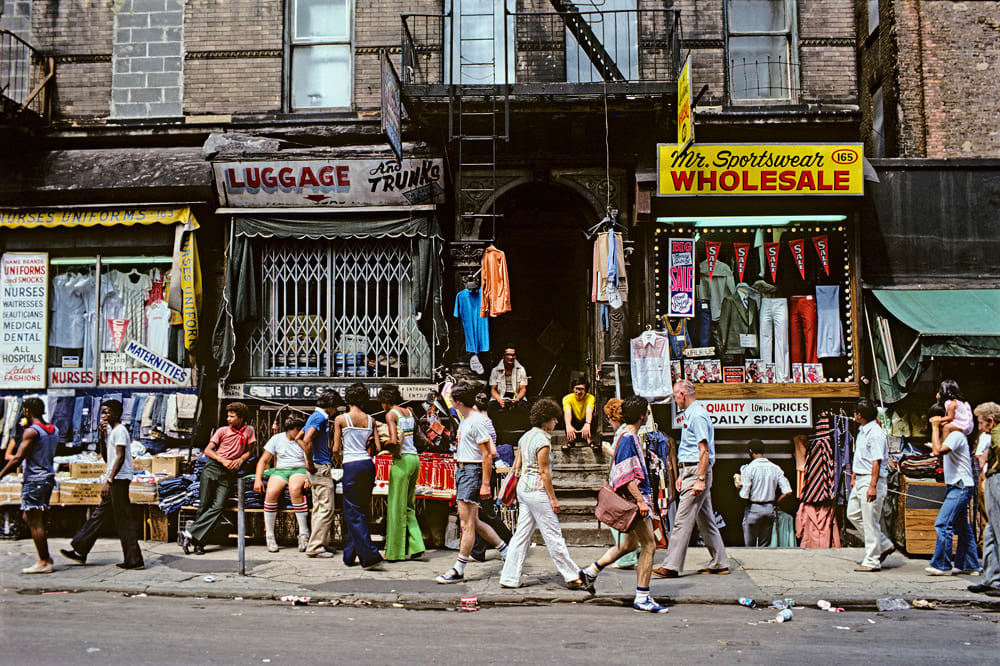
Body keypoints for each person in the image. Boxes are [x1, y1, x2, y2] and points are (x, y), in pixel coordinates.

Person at [579, 396, 667, 613]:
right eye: (646, 412)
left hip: (634, 501)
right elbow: (626, 475)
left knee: (628, 545)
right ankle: (642, 596)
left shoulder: (628, 436)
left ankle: (590, 572)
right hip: (634, 502)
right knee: (649, 546)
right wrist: (639, 500)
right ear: (641, 416)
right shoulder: (628, 437)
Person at [500, 398, 585, 589]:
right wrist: (553, 499)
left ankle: (509, 577)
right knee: (553, 534)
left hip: (523, 489)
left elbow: (517, 466)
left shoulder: (526, 437)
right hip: (538, 491)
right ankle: (571, 575)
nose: (556, 423)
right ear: (546, 419)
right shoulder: (542, 441)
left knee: (521, 535)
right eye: (554, 419)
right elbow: (544, 472)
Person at [654, 380, 729, 578]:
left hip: (697, 471)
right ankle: (720, 561)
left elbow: (704, 450)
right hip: (691, 471)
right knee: (705, 520)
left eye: (675, 395)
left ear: (683, 394)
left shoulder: (697, 416)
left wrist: (700, 479)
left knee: (682, 520)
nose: (674, 399)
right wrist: (681, 475)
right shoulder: (692, 414)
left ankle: (671, 565)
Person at [436, 382, 510, 583]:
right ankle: (507, 551)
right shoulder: (467, 419)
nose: (450, 401)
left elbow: (488, 454)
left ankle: (459, 567)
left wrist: (486, 483)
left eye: (452, 399)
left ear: (459, 401)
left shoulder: (475, 421)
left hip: (471, 471)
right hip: (465, 469)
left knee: (466, 523)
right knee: (474, 522)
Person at [61, 400, 144, 570]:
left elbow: (120, 457)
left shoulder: (120, 431)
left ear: (117, 413)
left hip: (119, 479)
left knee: (123, 519)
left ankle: (134, 559)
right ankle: (80, 549)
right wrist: (101, 436)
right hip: (116, 478)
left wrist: (109, 481)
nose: (104, 416)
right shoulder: (112, 432)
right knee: (99, 515)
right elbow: (108, 457)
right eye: (103, 412)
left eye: (107, 412)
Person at [178, 402, 256, 555]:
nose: (228, 419)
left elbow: (250, 452)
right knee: (204, 505)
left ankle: (190, 534)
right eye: (228, 416)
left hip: (228, 474)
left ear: (241, 418)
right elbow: (208, 450)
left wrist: (240, 460)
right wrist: (223, 460)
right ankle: (199, 544)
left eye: (232, 416)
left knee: (219, 506)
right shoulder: (222, 431)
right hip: (213, 468)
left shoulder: (249, 431)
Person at [0, 397, 58, 574]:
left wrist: (1, 474)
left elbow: (17, 458)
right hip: (47, 479)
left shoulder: (32, 432)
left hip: (34, 480)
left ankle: (44, 561)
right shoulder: (53, 429)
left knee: (35, 522)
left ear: (26, 412)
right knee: (29, 517)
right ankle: (45, 554)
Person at [333, 383, 384, 570]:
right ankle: (349, 555)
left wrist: (340, 459)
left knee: (353, 512)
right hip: (367, 464)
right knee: (360, 510)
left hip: (351, 464)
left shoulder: (341, 419)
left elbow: (336, 448)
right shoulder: (370, 420)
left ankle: (370, 555)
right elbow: (378, 448)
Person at [926, 402, 981, 575]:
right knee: (962, 526)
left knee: (943, 524)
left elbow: (937, 451)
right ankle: (970, 565)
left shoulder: (956, 435)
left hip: (960, 485)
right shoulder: (952, 436)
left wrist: (935, 428)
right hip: (957, 485)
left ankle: (941, 565)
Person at [379, 384, 426, 562]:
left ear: (385, 401)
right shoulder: (409, 411)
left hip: (402, 461)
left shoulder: (391, 414)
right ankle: (416, 545)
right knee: (408, 506)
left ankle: (394, 552)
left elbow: (393, 439)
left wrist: (382, 445)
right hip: (415, 459)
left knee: (395, 507)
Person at [847, 398, 894, 572]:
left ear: (860, 415)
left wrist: (872, 485)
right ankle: (883, 544)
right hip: (860, 477)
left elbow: (876, 461)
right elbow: (861, 456)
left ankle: (872, 559)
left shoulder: (875, 433)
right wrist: (854, 476)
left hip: (870, 479)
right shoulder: (863, 431)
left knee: (870, 521)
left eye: (856, 413)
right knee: (853, 514)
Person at [254, 415, 310, 553]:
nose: (299, 432)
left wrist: (309, 478)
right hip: (280, 470)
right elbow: (263, 460)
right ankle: (270, 536)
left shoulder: (303, 440)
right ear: (290, 429)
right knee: (271, 493)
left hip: (299, 469)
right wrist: (258, 479)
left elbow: (310, 460)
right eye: (297, 429)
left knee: (295, 489)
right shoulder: (277, 439)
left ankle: (304, 534)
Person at [470, 389, 513, 563]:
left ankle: (511, 542)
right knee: (481, 512)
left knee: (487, 513)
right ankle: (478, 551)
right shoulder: (488, 421)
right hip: (487, 468)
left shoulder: (483, 423)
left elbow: (491, 452)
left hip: (485, 468)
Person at [300, 389, 342, 558]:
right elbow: (306, 439)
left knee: (319, 507)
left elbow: (299, 437)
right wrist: (310, 462)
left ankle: (320, 543)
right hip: (320, 467)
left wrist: (309, 460)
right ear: (330, 406)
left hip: (315, 466)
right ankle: (316, 547)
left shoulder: (314, 416)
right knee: (325, 508)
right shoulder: (320, 418)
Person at [600, 398, 638, 570]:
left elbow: (621, 457)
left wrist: (608, 450)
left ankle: (626, 557)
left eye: (609, 418)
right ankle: (634, 548)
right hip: (626, 481)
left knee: (619, 519)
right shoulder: (627, 431)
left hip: (622, 482)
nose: (608, 421)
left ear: (614, 417)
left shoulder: (622, 433)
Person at [969, 402, 1000, 595]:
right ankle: (992, 578)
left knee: (996, 530)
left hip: (996, 479)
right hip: (992, 479)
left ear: (991, 421)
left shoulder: (997, 431)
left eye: (981, 423)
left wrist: (995, 468)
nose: (980, 428)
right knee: (990, 533)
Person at [737, 438, 792, 547]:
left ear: (750, 451)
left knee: (749, 547)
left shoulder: (749, 469)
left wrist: (739, 487)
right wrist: (776, 503)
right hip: (769, 509)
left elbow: (744, 495)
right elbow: (788, 491)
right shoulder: (775, 468)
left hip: (753, 509)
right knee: (764, 547)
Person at [487, 345, 530, 440]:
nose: (511, 357)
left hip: (516, 396)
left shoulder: (521, 370)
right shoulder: (495, 370)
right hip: (500, 396)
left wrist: (517, 399)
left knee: (526, 407)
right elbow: (493, 389)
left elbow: (523, 389)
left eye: (513, 355)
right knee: (490, 407)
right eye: (508, 355)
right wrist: (499, 400)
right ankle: (492, 436)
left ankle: (527, 437)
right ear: (503, 356)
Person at [561, 378, 596, 451]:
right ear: (573, 389)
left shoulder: (590, 397)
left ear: (585, 390)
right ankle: (571, 440)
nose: (579, 392)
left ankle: (590, 440)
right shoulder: (567, 398)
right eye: (577, 389)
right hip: (574, 422)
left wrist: (587, 423)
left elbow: (589, 411)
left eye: (582, 389)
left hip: (585, 422)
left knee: (594, 416)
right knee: (566, 418)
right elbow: (567, 412)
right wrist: (568, 425)